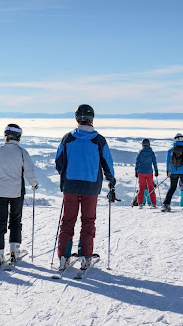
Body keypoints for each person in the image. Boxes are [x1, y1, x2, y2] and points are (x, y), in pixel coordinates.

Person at [55, 104, 115, 271]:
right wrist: (111, 179)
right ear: (92, 119)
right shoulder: (99, 140)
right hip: (91, 187)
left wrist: (65, 175)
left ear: (77, 118)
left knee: (68, 221)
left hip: (70, 186)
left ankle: (63, 257)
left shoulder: (68, 138)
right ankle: (85, 256)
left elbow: (58, 161)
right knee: (88, 222)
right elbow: (107, 163)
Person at [0, 124, 38, 266]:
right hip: (16, 192)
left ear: (6, 135)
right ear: (18, 137)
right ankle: (14, 251)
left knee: (0, 222)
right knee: (15, 221)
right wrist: (34, 184)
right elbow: (29, 171)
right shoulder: (22, 152)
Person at [162, 133, 183, 212]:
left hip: (173, 172)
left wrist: (168, 170)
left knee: (172, 188)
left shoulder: (171, 150)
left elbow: (168, 161)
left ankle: (166, 204)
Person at [135, 138, 158, 208]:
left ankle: (140, 203)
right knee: (150, 187)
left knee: (141, 187)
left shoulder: (140, 152)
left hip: (141, 172)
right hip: (149, 172)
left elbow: (137, 162)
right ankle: (153, 203)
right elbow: (154, 162)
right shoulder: (151, 152)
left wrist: (136, 170)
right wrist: (156, 170)